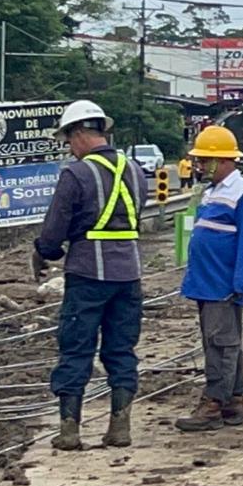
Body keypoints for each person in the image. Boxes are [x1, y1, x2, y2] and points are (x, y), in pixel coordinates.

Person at [32, 100, 145, 450]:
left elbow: (53, 233)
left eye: (69, 138)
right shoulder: (136, 169)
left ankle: (69, 431)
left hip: (87, 274)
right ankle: (120, 428)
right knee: (122, 349)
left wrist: (44, 252)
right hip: (129, 274)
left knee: (76, 349)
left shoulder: (75, 173)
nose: (69, 146)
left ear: (79, 133)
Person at [175, 126, 243, 432]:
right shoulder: (212, 193)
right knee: (226, 342)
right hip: (205, 282)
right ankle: (234, 401)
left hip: (222, 285)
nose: (199, 166)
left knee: (220, 344)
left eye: (204, 161)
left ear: (224, 161)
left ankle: (213, 403)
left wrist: (240, 282)